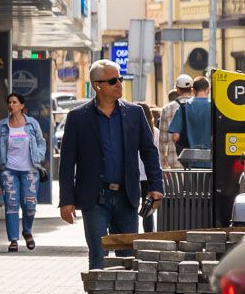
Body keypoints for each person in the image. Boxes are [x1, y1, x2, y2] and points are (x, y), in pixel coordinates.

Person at [59, 59, 164, 271]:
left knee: (128, 258)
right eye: (113, 80)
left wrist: (156, 186)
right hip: (94, 198)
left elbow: (149, 151)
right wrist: (66, 200)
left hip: (127, 197)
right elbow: (67, 162)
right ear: (97, 85)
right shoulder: (78, 117)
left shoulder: (134, 113)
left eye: (120, 79)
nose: (119, 84)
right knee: (98, 256)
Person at [0, 93, 47, 252]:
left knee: (30, 205)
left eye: (15, 102)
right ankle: (13, 239)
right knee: (12, 205)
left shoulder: (32, 124)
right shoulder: (2, 126)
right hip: (8, 170)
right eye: (9, 102)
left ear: (22, 106)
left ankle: (27, 231)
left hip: (30, 170)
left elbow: (41, 142)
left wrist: (40, 155)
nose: (11, 105)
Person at [169, 76, 212, 169]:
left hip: (190, 161)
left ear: (193, 90)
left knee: (192, 183)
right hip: (212, 160)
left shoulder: (184, 107)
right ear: (208, 89)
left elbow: (175, 136)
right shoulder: (214, 107)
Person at [158, 74, 194, 170]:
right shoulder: (198, 107)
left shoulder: (167, 108)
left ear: (177, 89)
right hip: (197, 160)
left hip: (175, 162)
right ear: (192, 90)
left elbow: (162, 140)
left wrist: (164, 165)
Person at [136, 102, 160, 233]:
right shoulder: (155, 132)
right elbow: (159, 153)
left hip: (135, 173)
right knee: (147, 208)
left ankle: (131, 232)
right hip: (149, 175)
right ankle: (148, 233)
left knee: (132, 207)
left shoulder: (133, 130)